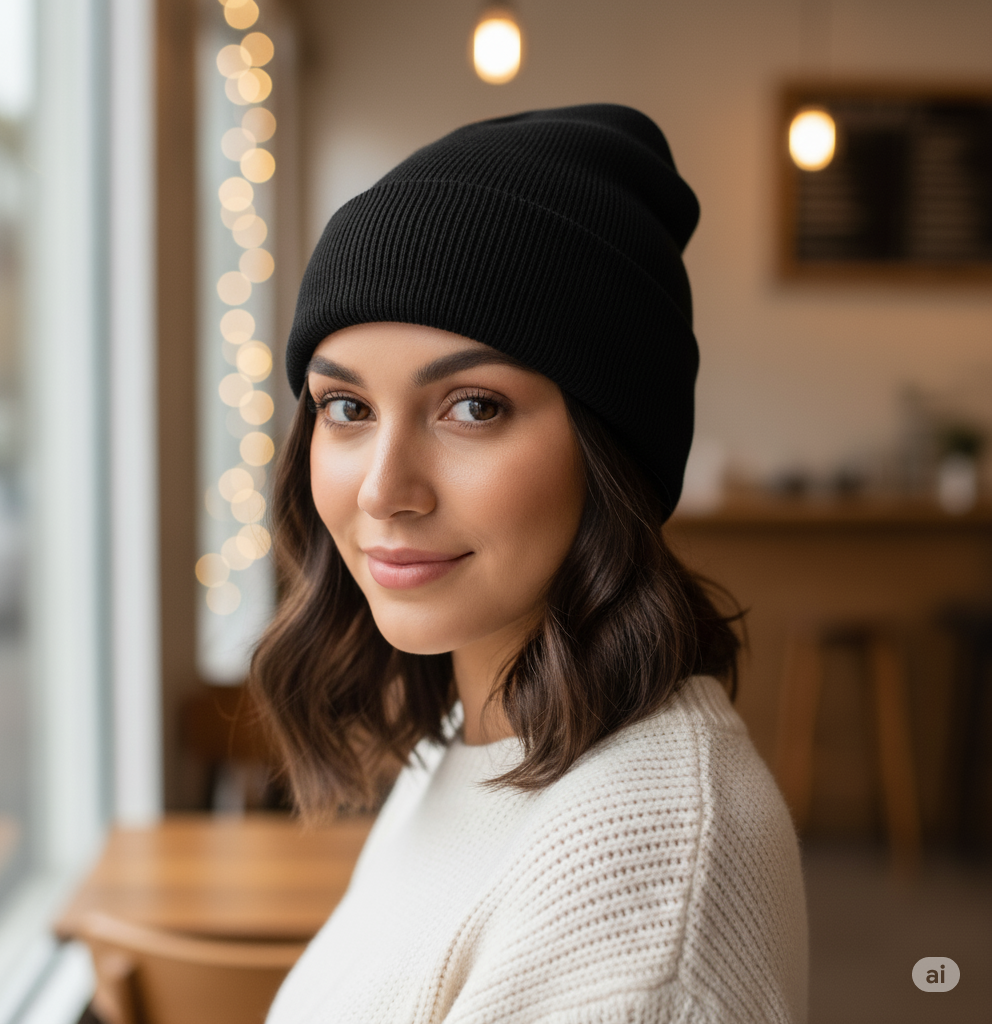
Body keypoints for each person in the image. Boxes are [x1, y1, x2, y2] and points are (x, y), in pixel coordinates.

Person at [253, 104, 809, 1024]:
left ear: (611, 447)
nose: (385, 489)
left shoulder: (642, 885)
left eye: (473, 407)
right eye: (345, 408)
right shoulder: (471, 738)